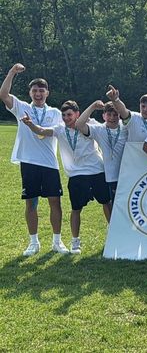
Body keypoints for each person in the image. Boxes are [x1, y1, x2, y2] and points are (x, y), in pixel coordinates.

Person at [21, 100, 108, 255]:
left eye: (69, 115)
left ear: (77, 114)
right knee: (76, 209)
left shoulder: (91, 124)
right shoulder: (60, 129)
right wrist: (30, 124)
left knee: (107, 203)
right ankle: (75, 242)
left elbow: (107, 129)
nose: (66, 118)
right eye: (64, 115)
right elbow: (42, 131)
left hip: (97, 171)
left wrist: (95, 107)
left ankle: (113, 234)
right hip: (76, 175)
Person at [1, 64, 67, 256]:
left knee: (55, 202)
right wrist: (12, 72)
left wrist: (33, 126)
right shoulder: (21, 107)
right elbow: (3, 94)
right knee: (31, 204)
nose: (38, 94)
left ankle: (57, 241)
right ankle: (33, 242)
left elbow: (54, 131)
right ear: (30, 92)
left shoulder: (55, 113)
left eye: (41, 90)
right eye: (35, 90)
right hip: (29, 162)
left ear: (47, 93)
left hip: (50, 163)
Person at [75, 98, 129, 222]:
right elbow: (79, 125)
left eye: (115, 114)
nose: (112, 117)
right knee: (116, 208)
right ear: (103, 115)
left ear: (120, 115)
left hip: (128, 175)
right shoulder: (99, 130)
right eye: (109, 114)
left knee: (129, 207)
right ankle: (116, 231)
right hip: (112, 176)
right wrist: (93, 106)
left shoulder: (126, 127)